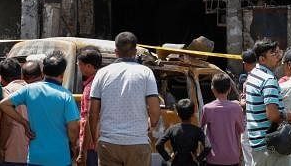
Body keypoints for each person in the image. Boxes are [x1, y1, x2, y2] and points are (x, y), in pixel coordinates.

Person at [89, 31, 160, 166]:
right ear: (135, 51)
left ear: (116, 52)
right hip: (137, 143)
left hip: (108, 143)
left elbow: (92, 112)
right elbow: (155, 112)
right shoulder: (146, 73)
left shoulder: (102, 73)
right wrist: (151, 125)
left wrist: (95, 139)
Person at [0, 51, 81, 166]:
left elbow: (3, 104)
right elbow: (73, 129)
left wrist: (24, 123)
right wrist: (73, 145)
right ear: (62, 74)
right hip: (60, 158)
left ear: (43, 71)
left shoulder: (29, 89)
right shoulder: (66, 95)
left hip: (35, 158)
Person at [245, 38, 291, 166]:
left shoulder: (253, 74)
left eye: (277, 52)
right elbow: (272, 115)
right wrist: (289, 117)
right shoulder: (268, 80)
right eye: (272, 54)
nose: (277, 56)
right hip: (271, 147)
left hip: (258, 144)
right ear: (262, 59)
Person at [201, 73, 244, 166]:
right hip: (232, 157)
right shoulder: (236, 108)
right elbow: (240, 131)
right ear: (229, 89)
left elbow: (201, 129)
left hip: (213, 158)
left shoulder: (207, 108)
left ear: (212, 89)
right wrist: (240, 153)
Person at [156, 99, 210, 166]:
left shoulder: (172, 129)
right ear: (193, 114)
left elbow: (158, 144)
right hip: (191, 163)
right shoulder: (197, 130)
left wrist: (168, 158)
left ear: (178, 114)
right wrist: (198, 159)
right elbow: (208, 146)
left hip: (176, 162)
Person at [0, 58, 30, 165]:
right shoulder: (33, 89)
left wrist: (1, 146)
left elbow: (7, 122)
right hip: (33, 153)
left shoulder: (5, 91)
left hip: (12, 152)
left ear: (1, 77)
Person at [77, 47, 102, 166]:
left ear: (88, 66)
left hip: (91, 145)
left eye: (80, 64)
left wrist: (82, 152)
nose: (78, 66)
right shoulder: (102, 83)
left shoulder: (91, 88)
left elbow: (89, 118)